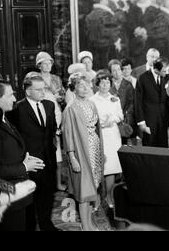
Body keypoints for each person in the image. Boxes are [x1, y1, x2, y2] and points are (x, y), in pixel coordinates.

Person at [7, 74, 60, 231]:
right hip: (29, 162)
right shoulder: (16, 109)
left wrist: (52, 149)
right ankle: (30, 227)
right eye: (38, 89)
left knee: (48, 195)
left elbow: (51, 130)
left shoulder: (49, 105)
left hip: (48, 159)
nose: (43, 92)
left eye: (44, 88)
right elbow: (13, 136)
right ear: (28, 91)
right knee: (30, 198)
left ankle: (46, 224)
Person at [0, 80, 44, 231]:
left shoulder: (4, 119)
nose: (15, 99)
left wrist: (23, 158)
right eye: (10, 95)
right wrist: (24, 166)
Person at [62, 73, 103, 231]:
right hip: (80, 152)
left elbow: (96, 129)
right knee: (83, 190)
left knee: (92, 187)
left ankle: (89, 222)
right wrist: (72, 157)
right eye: (81, 85)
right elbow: (68, 135)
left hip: (94, 150)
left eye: (87, 85)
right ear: (73, 88)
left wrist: (101, 152)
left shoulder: (91, 104)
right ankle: (85, 226)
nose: (85, 88)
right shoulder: (70, 108)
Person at [90, 71, 123, 209]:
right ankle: (97, 197)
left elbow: (120, 115)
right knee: (98, 167)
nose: (105, 85)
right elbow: (90, 118)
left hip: (113, 135)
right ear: (97, 84)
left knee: (111, 167)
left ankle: (109, 195)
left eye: (107, 82)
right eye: (102, 82)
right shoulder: (92, 100)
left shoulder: (115, 98)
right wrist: (101, 123)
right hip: (99, 135)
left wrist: (112, 120)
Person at [35, 52, 66, 192]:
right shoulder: (35, 78)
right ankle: (46, 184)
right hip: (42, 115)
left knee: (57, 151)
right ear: (39, 65)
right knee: (43, 152)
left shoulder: (56, 79)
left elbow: (63, 96)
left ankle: (58, 183)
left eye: (50, 63)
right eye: (44, 63)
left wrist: (58, 97)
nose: (48, 66)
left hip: (56, 114)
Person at [135, 59, 169, 147]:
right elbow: (138, 102)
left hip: (163, 122)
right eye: (164, 71)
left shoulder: (166, 77)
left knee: (163, 148)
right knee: (149, 148)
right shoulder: (142, 78)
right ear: (156, 70)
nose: (166, 72)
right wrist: (141, 122)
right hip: (148, 121)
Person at [108, 60, 135, 144]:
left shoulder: (128, 84)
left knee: (124, 144)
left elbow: (132, 103)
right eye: (114, 70)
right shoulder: (107, 84)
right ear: (111, 72)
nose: (117, 72)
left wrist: (125, 114)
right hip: (111, 119)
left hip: (125, 119)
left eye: (119, 69)